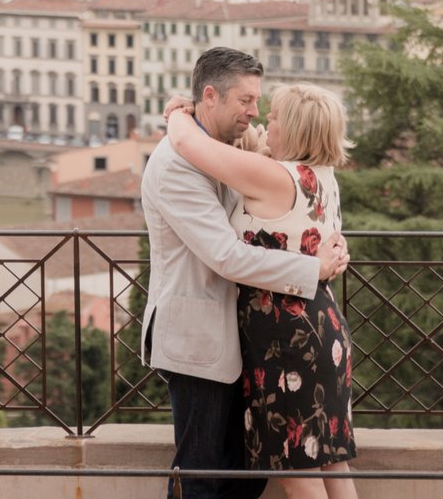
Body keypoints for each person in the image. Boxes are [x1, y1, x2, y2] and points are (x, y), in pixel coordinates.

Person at [141, 48, 351, 499]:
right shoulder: (177, 165)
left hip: (275, 340)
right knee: (204, 475)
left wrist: (178, 113)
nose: (256, 116)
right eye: (246, 102)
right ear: (211, 96)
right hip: (203, 338)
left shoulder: (245, 160)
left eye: (263, 107)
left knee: (251, 475)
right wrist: (313, 268)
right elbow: (227, 256)